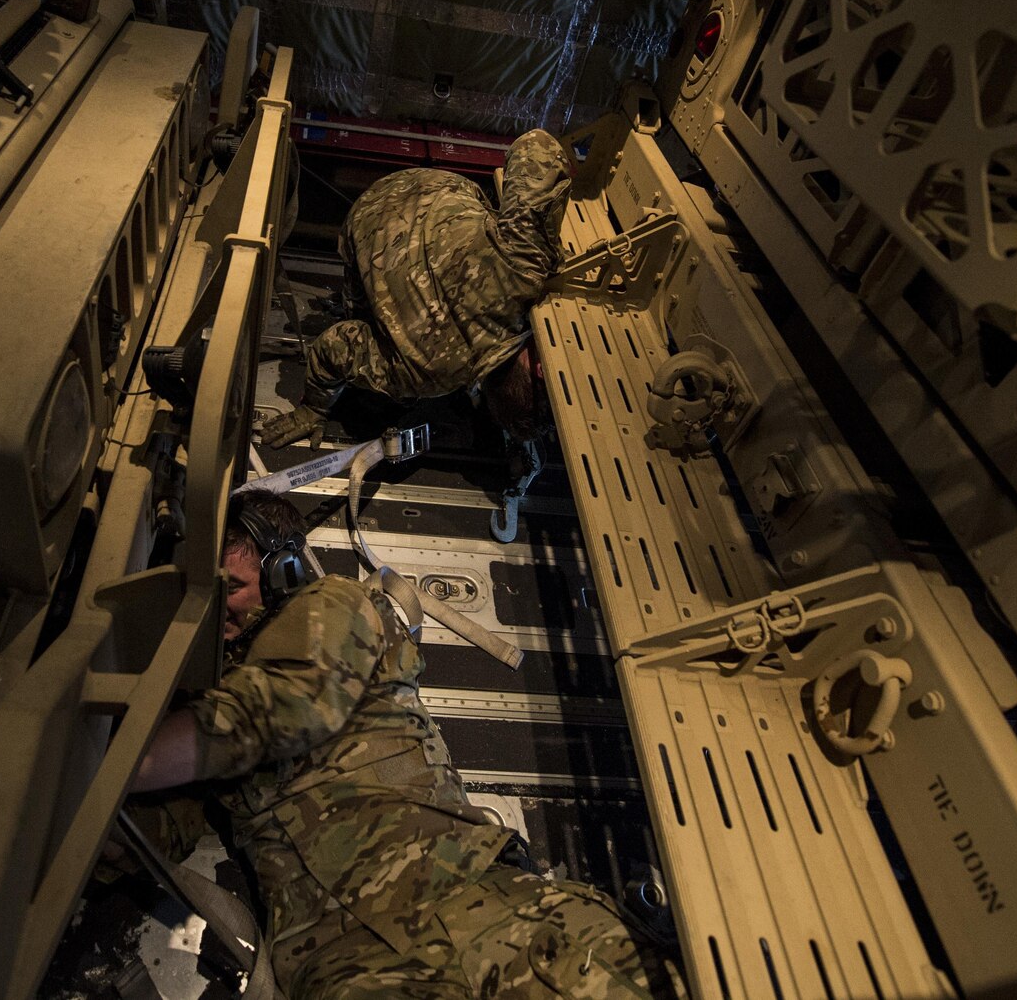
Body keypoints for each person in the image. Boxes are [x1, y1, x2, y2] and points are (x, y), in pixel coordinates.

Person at [121, 493, 679, 999]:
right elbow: (160, 826)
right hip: (341, 965)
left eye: (232, 589)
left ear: (283, 570)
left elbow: (289, 704)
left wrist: (118, 762)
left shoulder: (332, 606)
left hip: (472, 906)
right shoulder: (204, 705)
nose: (218, 616)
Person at [257, 129, 573, 449]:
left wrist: (546, 243)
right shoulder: (427, 378)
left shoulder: (525, 269)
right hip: (364, 232)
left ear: (539, 369)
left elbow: (536, 143)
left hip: (408, 190)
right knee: (384, 362)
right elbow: (333, 347)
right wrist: (314, 408)